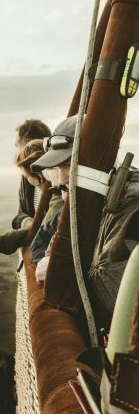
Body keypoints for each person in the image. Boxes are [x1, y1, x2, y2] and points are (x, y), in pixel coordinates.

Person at [30, 114, 139, 323]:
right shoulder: (88, 203)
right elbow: (48, 250)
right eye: (56, 167)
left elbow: (118, 300)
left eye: (71, 164)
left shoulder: (132, 206)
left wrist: (59, 270)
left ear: (99, 162)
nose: (61, 179)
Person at [0, 140, 63, 270]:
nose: (27, 181)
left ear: (36, 174)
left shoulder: (59, 198)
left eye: (25, 176)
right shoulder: (55, 195)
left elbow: (40, 233)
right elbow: (32, 224)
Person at [12, 119, 51, 230]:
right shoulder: (27, 177)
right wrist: (29, 223)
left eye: (17, 145)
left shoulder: (58, 179)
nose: (16, 149)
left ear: (27, 144)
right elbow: (19, 216)